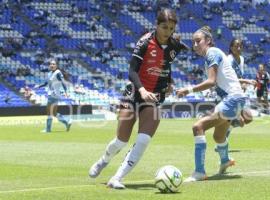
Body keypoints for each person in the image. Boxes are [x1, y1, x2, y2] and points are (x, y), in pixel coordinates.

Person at [88, 9, 188, 189]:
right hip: (134, 92)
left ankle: (117, 178)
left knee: (143, 140)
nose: (168, 31)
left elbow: (167, 64)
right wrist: (142, 90)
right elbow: (132, 71)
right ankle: (104, 160)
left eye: (171, 28)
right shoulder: (144, 42)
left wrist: (169, 81)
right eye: (164, 27)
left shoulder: (175, 45)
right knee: (121, 140)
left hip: (155, 96)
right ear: (156, 25)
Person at [176, 26, 246, 181]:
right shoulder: (216, 53)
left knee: (198, 127)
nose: (195, 45)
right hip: (237, 99)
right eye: (193, 42)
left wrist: (188, 90)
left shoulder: (212, 53)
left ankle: (199, 172)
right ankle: (225, 160)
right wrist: (238, 110)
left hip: (232, 99)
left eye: (198, 41)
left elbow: (211, 81)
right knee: (219, 135)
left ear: (208, 40)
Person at [225, 38, 256, 138]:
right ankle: (222, 139)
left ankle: (226, 132)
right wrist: (247, 81)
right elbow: (230, 79)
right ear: (231, 47)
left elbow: (239, 76)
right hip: (228, 94)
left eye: (240, 46)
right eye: (236, 46)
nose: (238, 48)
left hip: (238, 94)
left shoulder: (241, 59)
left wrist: (243, 84)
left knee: (248, 118)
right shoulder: (229, 60)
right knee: (241, 121)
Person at [35, 59, 72, 133]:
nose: (52, 65)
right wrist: (39, 86)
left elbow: (63, 82)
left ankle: (48, 129)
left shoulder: (58, 73)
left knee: (49, 112)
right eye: (51, 64)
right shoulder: (49, 74)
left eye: (54, 64)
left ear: (56, 66)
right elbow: (46, 83)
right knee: (54, 113)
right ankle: (67, 122)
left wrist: (66, 92)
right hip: (55, 95)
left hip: (53, 94)